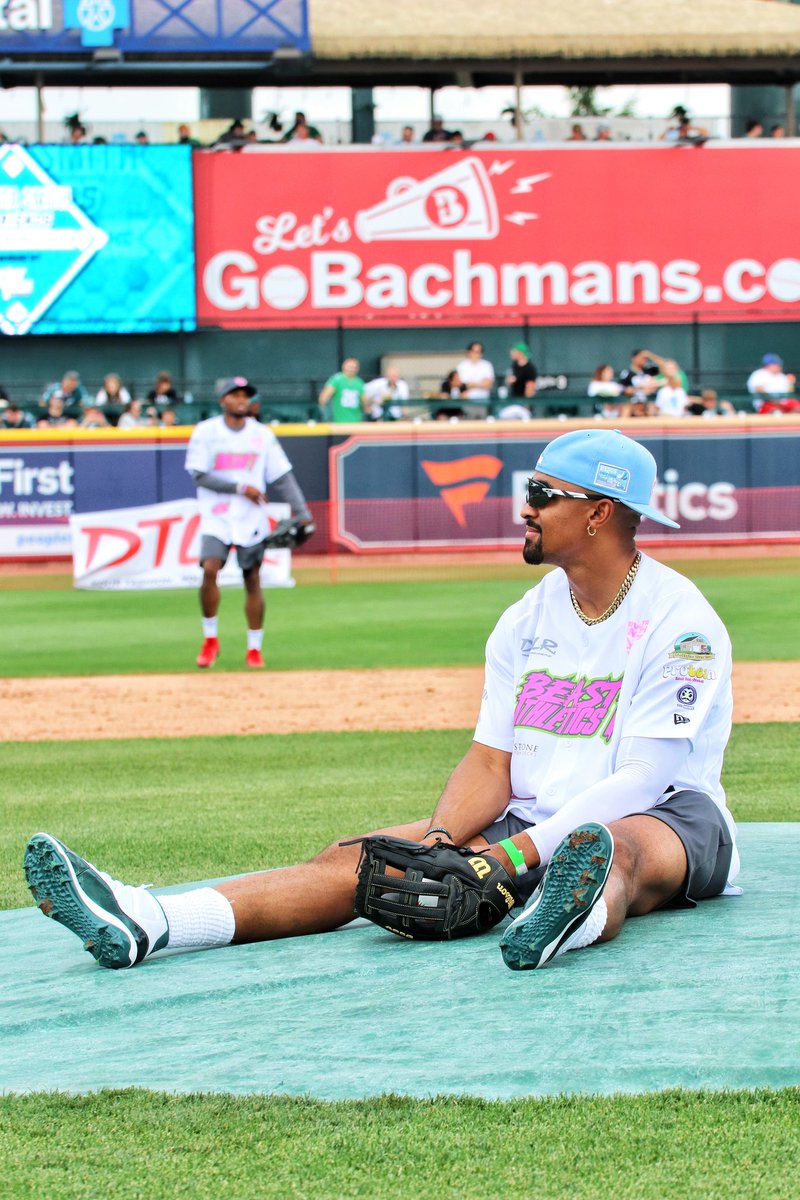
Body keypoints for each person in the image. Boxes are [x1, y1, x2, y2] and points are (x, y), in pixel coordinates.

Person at [23, 429, 740, 975]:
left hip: (671, 817)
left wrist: (509, 855)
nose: (525, 507)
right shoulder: (526, 620)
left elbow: (646, 778)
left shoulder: (681, 621)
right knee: (360, 861)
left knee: (612, 851)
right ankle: (150, 920)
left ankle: (562, 918)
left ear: (599, 514)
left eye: (544, 494)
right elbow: (491, 761)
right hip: (533, 815)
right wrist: (438, 843)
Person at [185, 376, 314, 670]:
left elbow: (282, 476)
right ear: (223, 401)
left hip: (250, 518)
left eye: (246, 395)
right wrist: (241, 488)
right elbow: (198, 475)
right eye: (235, 394)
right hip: (216, 514)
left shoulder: (262, 435)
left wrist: (302, 512)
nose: (241, 399)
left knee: (252, 579)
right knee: (210, 569)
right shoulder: (206, 432)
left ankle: (254, 648)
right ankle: (210, 639)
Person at [318, 358, 368, 423]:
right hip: (339, 421)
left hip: (356, 421)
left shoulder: (359, 382)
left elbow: (365, 402)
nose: (352, 369)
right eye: (349, 367)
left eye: (354, 367)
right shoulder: (336, 380)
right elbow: (323, 399)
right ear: (343, 367)